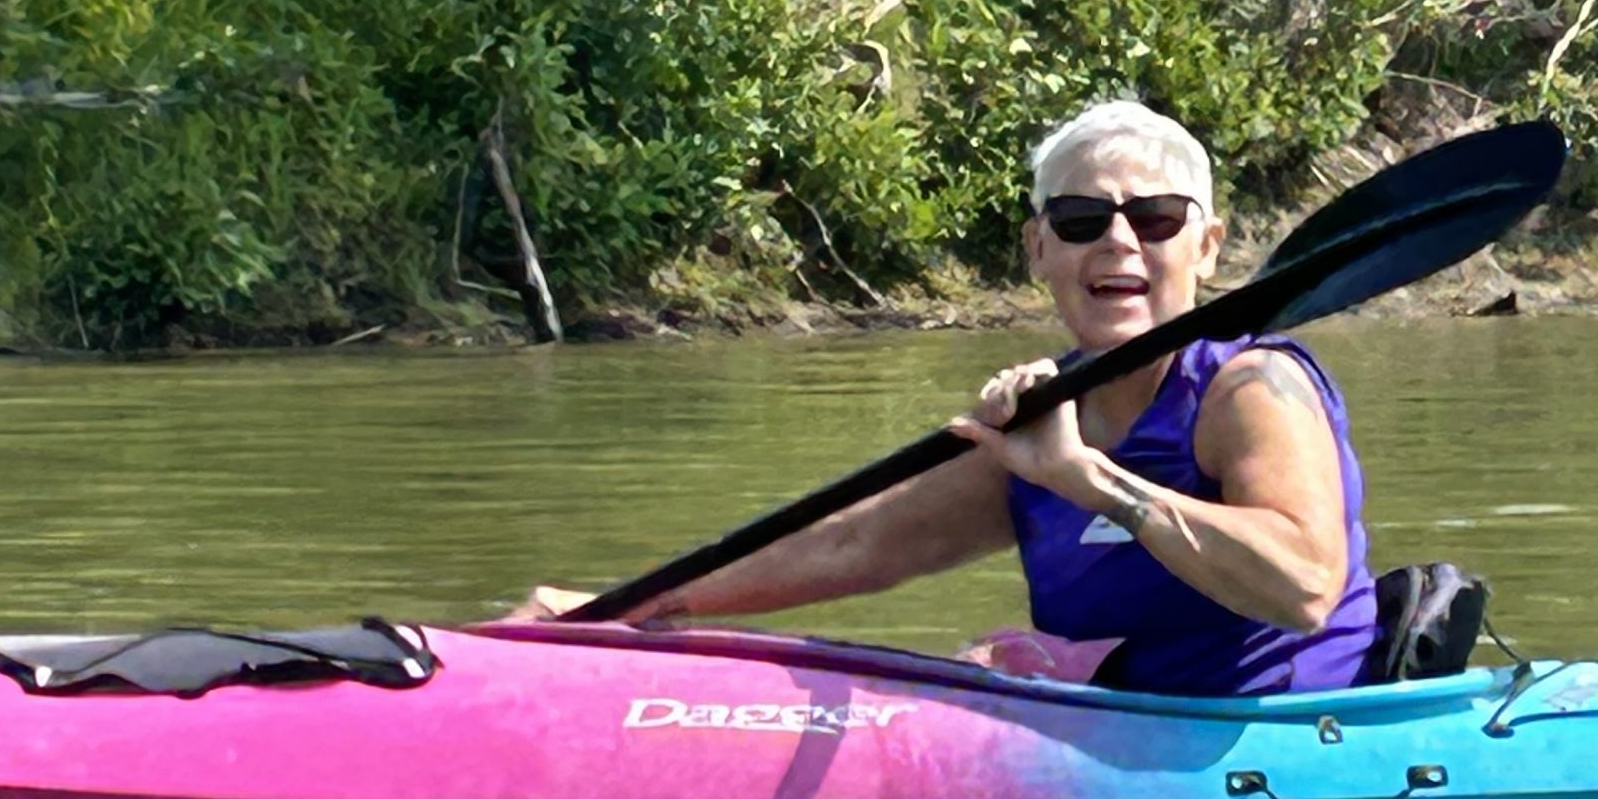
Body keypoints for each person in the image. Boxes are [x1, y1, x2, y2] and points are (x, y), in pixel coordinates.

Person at [517, 99, 1380, 698]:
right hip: (1125, 731)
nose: (1118, 239)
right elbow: (856, 543)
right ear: (1039, 249)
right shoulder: (1037, 424)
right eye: (1080, 220)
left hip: (1293, 748)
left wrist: (1089, 481)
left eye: (1155, 218)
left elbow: (1302, 586)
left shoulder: (1253, 386)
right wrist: (631, 609)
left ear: (1209, 247)